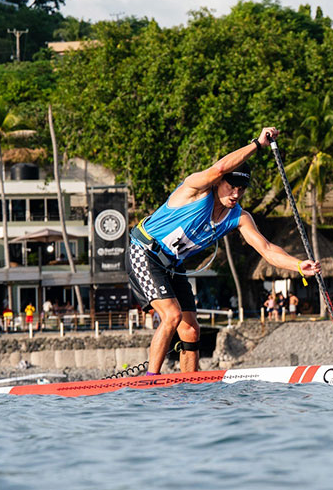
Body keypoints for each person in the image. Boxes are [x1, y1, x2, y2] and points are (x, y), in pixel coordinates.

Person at [127, 127, 320, 375]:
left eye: (242, 188)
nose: (236, 193)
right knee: (172, 316)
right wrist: (257, 145)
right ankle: (150, 379)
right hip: (144, 253)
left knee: (191, 330)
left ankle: (190, 384)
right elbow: (218, 169)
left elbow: (267, 249)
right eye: (232, 186)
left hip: (173, 266)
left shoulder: (239, 217)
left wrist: (297, 265)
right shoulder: (195, 189)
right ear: (219, 182)